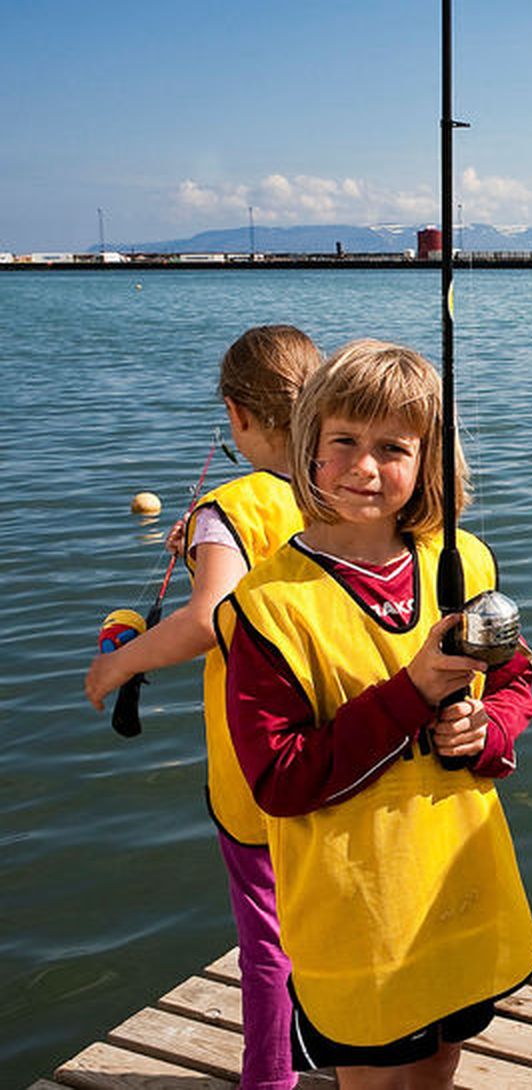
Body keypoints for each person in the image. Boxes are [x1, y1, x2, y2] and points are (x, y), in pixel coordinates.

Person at [218, 339, 532, 1090]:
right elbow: (283, 780)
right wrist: (414, 693)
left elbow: (517, 682)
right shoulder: (266, 611)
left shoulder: (462, 563)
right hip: (358, 916)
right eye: (344, 442)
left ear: (427, 462)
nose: (366, 468)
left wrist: (486, 729)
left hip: (459, 894)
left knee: (440, 1067)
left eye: (394, 447)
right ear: (308, 446)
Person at [86, 324, 321, 1090]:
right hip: (342, 755)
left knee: (267, 940)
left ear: (237, 414)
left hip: (257, 779)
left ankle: (271, 1080)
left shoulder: (230, 508)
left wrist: (116, 664)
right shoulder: (349, 487)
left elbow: (208, 617)